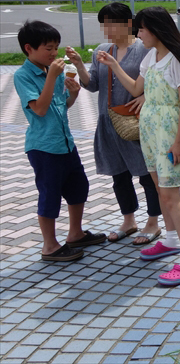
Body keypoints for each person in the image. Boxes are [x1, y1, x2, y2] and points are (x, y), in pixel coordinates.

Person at [99, 6, 180, 286]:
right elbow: (137, 90)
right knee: (161, 193)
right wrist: (114, 66)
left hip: (170, 134)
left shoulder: (177, 59)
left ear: (157, 29)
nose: (138, 34)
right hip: (151, 133)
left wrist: (177, 142)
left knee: (172, 199)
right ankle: (171, 241)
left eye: (143, 29)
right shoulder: (152, 56)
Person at [65, 3, 162, 246]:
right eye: (104, 23)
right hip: (108, 123)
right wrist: (78, 65)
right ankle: (128, 220)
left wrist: (145, 95)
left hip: (134, 123)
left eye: (112, 23)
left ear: (128, 23)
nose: (107, 29)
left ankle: (153, 222)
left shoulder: (143, 49)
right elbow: (93, 84)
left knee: (147, 175)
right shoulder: (102, 49)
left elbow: (156, 82)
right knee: (119, 175)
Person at [14, 20, 106, 261]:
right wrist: (51, 77)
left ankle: (75, 234)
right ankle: (50, 246)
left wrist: (73, 94)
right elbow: (40, 110)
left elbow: (60, 107)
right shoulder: (23, 75)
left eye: (56, 47)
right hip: (43, 147)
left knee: (79, 187)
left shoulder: (50, 71)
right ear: (29, 48)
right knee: (50, 194)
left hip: (65, 143)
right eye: (48, 48)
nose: (54, 53)